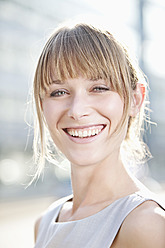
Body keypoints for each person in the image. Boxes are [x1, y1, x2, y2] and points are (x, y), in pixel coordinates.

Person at [32, 23, 165, 248]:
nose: (77, 110)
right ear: (42, 105)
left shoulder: (147, 225)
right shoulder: (44, 222)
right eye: (59, 92)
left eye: (99, 88)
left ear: (135, 100)